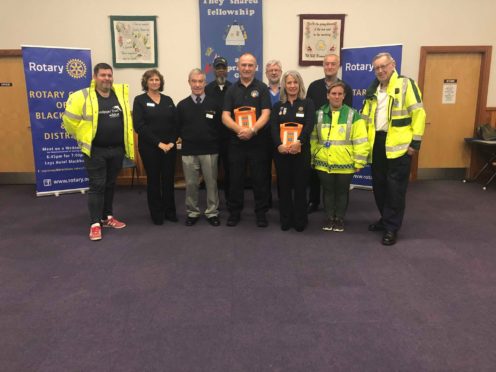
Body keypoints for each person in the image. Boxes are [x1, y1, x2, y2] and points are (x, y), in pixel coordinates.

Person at [63, 62, 134, 241]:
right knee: (97, 186)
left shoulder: (119, 94)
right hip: (96, 151)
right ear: (95, 77)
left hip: (117, 150)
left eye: (109, 75)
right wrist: (82, 137)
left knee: (110, 184)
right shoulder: (83, 96)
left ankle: (107, 217)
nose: (106, 79)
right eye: (103, 75)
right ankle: (95, 224)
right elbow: (69, 122)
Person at [361, 52, 426, 245]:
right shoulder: (373, 90)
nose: (380, 71)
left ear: (393, 65)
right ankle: (385, 218)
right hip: (377, 144)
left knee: (395, 189)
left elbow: (419, 114)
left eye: (384, 66)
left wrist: (415, 144)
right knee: (379, 187)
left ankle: (392, 227)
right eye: (377, 68)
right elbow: (365, 119)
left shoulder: (406, 85)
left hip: (400, 147)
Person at [310, 81, 369, 232]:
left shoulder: (353, 115)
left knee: (342, 192)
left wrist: (359, 161)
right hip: (323, 161)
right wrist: (312, 158)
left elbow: (361, 139)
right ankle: (330, 218)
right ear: (327, 96)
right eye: (333, 94)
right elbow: (313, 139)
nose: (336, 97)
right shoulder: (318, 114)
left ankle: (340, 219)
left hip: (346, 162)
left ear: (344, 96)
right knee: (328, 191)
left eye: (339, 94)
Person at [222, 52, 271, 227]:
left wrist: (252, 130)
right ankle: (234, 213)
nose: (247, 68)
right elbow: (225, 116)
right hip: (236, 143)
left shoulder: (262, 88)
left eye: (250, 65)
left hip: (257, 142)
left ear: (255, 68)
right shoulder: (231, 89)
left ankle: (261, 213)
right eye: (244, 65)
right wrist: (240, 130)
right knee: (235, 179)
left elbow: (266, 113)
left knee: (260, 179)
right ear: (238, 67)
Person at [306, 53, 353, 214]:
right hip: (318, 134)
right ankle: (313, 201)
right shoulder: (314, 86)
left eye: (333, 64)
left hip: (338, 138)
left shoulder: (346, 88)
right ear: (323, 66)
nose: (330, 67)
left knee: (337, 179)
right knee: (315, 172)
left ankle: (337, 208)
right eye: (327, 64)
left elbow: (348, 115)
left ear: (338, 66)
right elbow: (308, 110)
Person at [132, 69, 178, 225]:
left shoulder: (168, 100)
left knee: (168, 180)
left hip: (169, 148)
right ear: (146, 82)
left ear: (161, 82)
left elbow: (175, 123)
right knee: (154, 181)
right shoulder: (139, 100)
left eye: (157, 79)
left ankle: (170, 212)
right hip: (150, 147)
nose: (154, 82)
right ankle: (157, 214)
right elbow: (139, 126)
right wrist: (159, 144)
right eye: (151, 79)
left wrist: (171, 142)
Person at [270, 70, 315, 231]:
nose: (292, 85)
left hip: (301, 152)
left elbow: (310, 124)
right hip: (282, 153)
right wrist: (278, 145)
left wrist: (299, 142)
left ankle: (300, 220)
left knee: (301, 187)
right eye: (289, 82)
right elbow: (273, 127)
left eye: (295, 82)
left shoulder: (308, 103)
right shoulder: (278, 106)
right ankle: (286, 219)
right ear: (284, 85)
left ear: (300, 84)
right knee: (284, 187)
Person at [177, 68, 221, 227]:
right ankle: (192, 212)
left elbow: (219, 127)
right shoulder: (182, 105)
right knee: (191, 184)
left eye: (200, 81)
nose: (197, 85)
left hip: (210, 150)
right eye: (194, 81)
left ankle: (212, 212)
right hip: (189, 151)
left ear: (205, 83)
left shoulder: (214, 104)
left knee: (211, 183)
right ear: (189, 83)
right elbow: (178, 128)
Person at [205, 56, 232, 201]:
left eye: (223, 68)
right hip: (212, 138)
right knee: (212, 173)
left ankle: (230, 200)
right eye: (218, 68)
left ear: (227, 70)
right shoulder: (207, 89)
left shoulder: (233, 88)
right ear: (214, 70)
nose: (221, 71)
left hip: (229, 138)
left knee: (230, 171)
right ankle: (213, 202)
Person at [265, 59, 283, 206]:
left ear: (281, 72)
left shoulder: (288, 90)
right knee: (264, 172)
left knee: (282, 171)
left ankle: (283, 200)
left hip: (283, 138)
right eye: (271, 70)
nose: (274, 72)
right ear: (266, 74)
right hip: (264, 137)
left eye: (276, 70)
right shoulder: (260, 91)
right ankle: (266, 200)